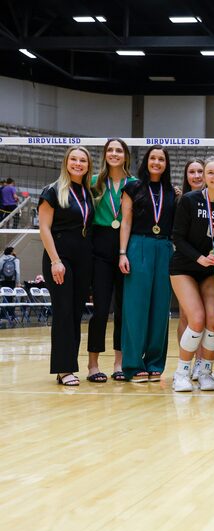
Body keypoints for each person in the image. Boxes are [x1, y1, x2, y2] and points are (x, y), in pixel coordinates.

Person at [169, 157, 214, 392]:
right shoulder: (189, 200)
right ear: (204, 177)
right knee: (196, 319)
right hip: (185, 267)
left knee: (213, 321)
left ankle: (205, 371)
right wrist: (200, 258)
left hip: (212, 271)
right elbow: (177, 237)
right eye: (211, 173)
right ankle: (181, 373)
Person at [38, 147, 95, 386]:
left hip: (83, 258)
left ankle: (70, 365)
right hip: (60, 257)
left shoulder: (88, 192)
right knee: (63, 312)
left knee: (75, 312)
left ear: (88, 165)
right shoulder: (52, 191)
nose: (78, 163)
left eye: (83, 160)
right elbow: (44, 228)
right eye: (74, 159)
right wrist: (55, 261)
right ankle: (63, 368)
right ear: (66, 162)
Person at [119, 146, 176, 382]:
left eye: (161, 159)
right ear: (146, 161)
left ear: (166, 164)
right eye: (153, 158)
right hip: (138, 245)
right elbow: (125, 222)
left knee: (161, 308)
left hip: (163, 247)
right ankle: (133, 364)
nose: (157, 162)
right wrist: (123, 253)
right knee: (135, 307)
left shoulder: (172, 191)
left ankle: (154, 363)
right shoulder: (132, 187)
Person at [87, 138, 136, 382]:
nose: (114, 154)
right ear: (105, 154)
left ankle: (120, 362)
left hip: (126, 246)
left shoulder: (135, 183)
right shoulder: (94, 181)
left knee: (123, 310)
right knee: (100, 309)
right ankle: (92, 364)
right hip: (100, 245)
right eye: (110, 150)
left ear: (126, 155)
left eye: (119, 150)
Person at [175, 158, 207, 380]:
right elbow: (177, 235)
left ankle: (201, 363)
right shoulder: (181, 200)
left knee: (206, 316)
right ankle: (185, 361)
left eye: (200, 171)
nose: (196, 176)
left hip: (209, 267)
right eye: (192, 172)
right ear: (186, 176)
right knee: (187, 317)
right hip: (185, 262)